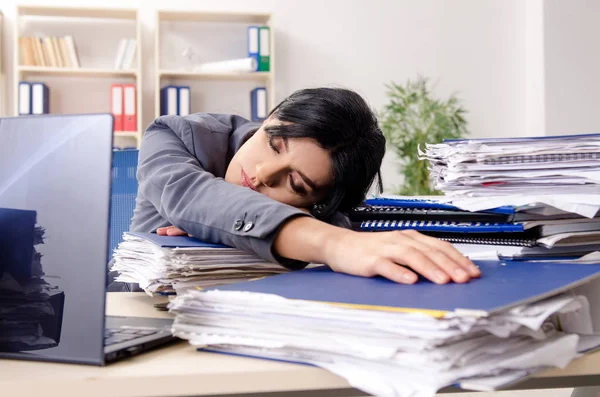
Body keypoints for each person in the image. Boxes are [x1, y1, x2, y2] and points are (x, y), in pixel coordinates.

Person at [130, 87, 480, 285]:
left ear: (319, 204)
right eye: (273, 143)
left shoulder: (324, 211)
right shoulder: (174, 133)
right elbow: (191, 195)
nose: (265, 173)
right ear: (271, 117)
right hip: (136, 312)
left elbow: (341, 220)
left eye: (295, 184)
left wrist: (212, 226)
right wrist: (330, 242)